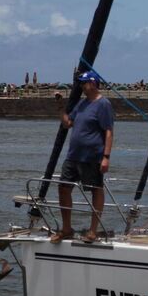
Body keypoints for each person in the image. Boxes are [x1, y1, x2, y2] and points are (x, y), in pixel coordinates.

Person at [51, 71, 114, 244]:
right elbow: (68, 123)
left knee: (95, 190)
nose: (81, 86)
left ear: (93, 83)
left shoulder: (103, 104)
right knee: (63, 187)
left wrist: (106, 157)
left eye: (84, 83)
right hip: (73, 156)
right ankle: (66, 228)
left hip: (92, 157)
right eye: (80, 83)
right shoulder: (82, 104)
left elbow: (108, 132)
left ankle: (93, 230)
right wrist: (59, 106)